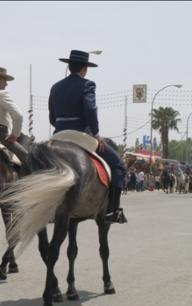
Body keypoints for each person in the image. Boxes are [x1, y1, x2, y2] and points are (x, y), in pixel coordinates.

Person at [48, 50, 127, 224]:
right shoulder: (87, 85)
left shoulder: (55, 87)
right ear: (85, 68)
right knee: (118, 165)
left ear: (69, 67)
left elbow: (52, 117)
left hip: (59, 136)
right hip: (82, 136)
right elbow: (90, 109)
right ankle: (113, 211)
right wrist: (96, 133)